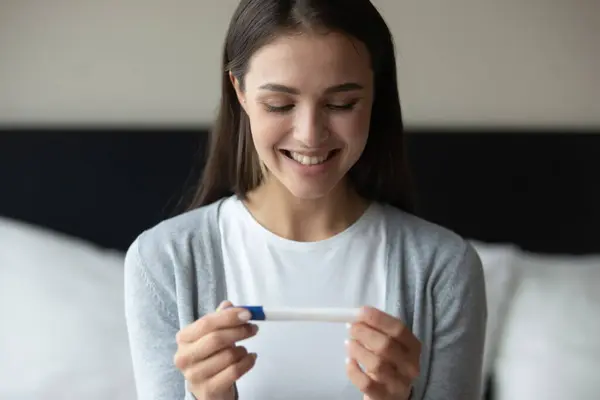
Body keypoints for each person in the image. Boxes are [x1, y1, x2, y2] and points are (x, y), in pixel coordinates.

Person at [124, 0, 487, 399]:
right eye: (279, 104)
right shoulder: (164, 261)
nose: (310, 135)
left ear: (375, 94)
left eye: (341, 104)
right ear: (240, 92)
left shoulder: (443, 269)